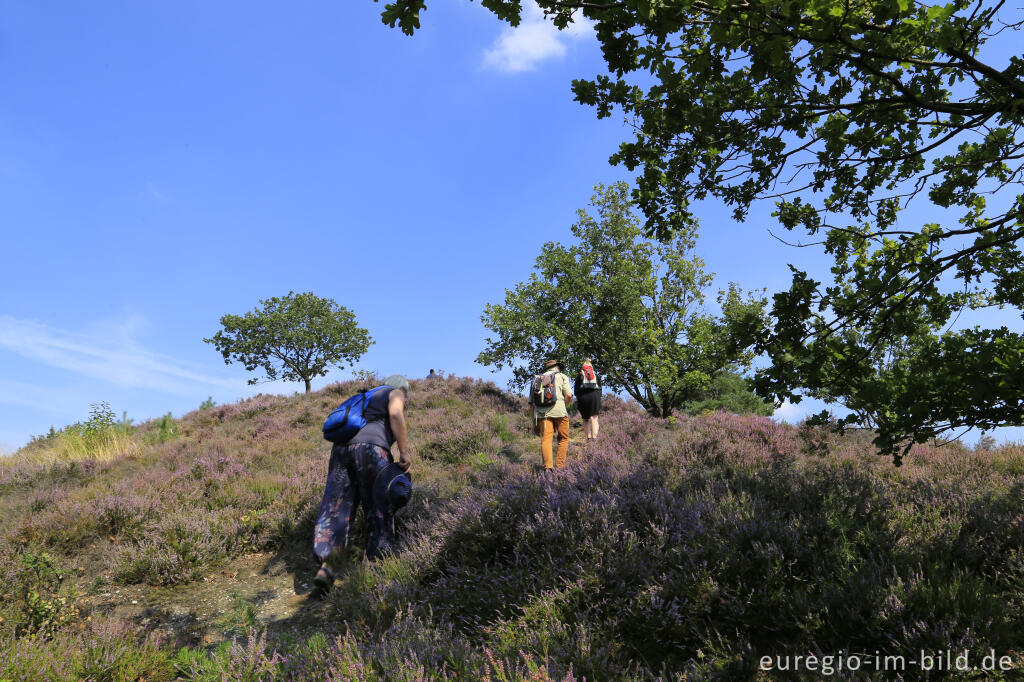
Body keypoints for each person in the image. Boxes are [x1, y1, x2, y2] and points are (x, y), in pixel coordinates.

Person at [312, 374, 412, 593]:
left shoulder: (363, 397)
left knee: (336, 506)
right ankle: (379, 568)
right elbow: (396, 414)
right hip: (370, 449)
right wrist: (403, 453)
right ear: (402, 390)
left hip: (340, 450)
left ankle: (327, 566)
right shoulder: (394, 392)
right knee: (378, 505)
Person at [531, 359, 573, 471]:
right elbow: (569, 395)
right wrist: (565, 405)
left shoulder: (537, 378)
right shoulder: (562, 376)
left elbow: (531, 403)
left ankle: (548, 469)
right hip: (560, 412)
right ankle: (560, 467)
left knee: (546, 439)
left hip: (542, 413)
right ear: (557, 367)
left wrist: (534, 422)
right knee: (563, 438)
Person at [574, 359, 602, 441]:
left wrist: (579, 397)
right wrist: (598, 397)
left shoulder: (579, 376)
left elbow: (576, 389)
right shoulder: (596, 375)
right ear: (591, 367)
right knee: (595, 418)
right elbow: (600, 388)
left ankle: (588, 438)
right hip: (595, 396)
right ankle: (594, 438)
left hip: (583, 397)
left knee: (585, 419)